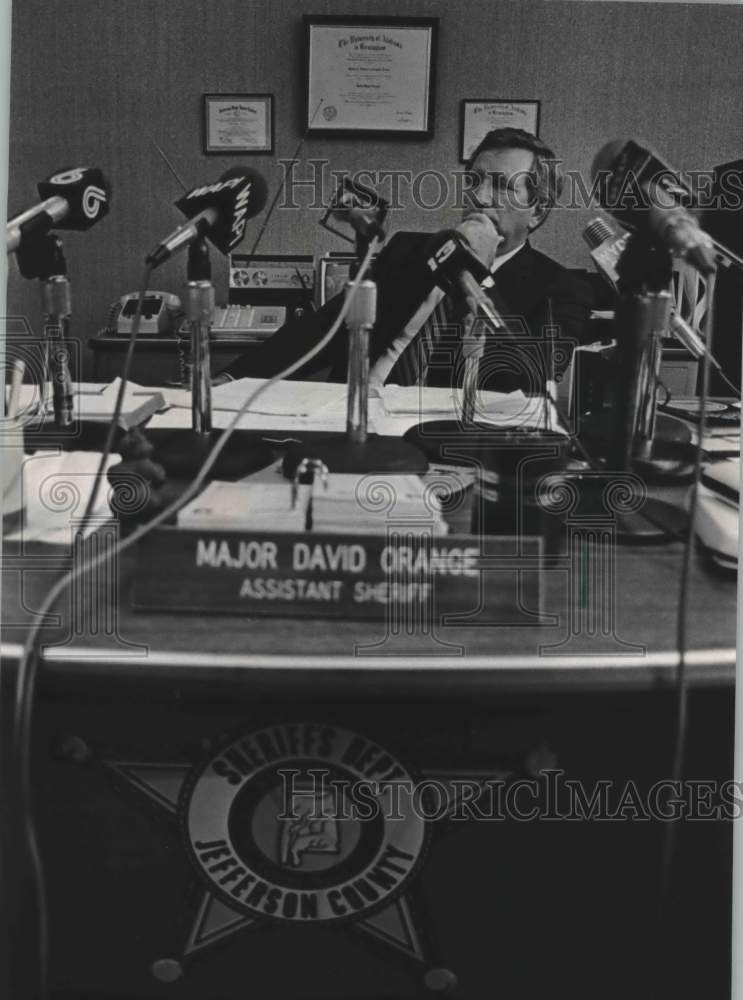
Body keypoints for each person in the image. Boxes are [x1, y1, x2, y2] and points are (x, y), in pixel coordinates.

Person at [215, 128, 592, 393]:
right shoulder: (410, 251)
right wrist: (233, 380)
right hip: (357, 417)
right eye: (474, 180)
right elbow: (323, 329)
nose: (479, 195)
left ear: (537, 211)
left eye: (501, 184)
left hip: (451, 439)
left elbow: (527, 379)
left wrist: (480, 273)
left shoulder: (562, 289)